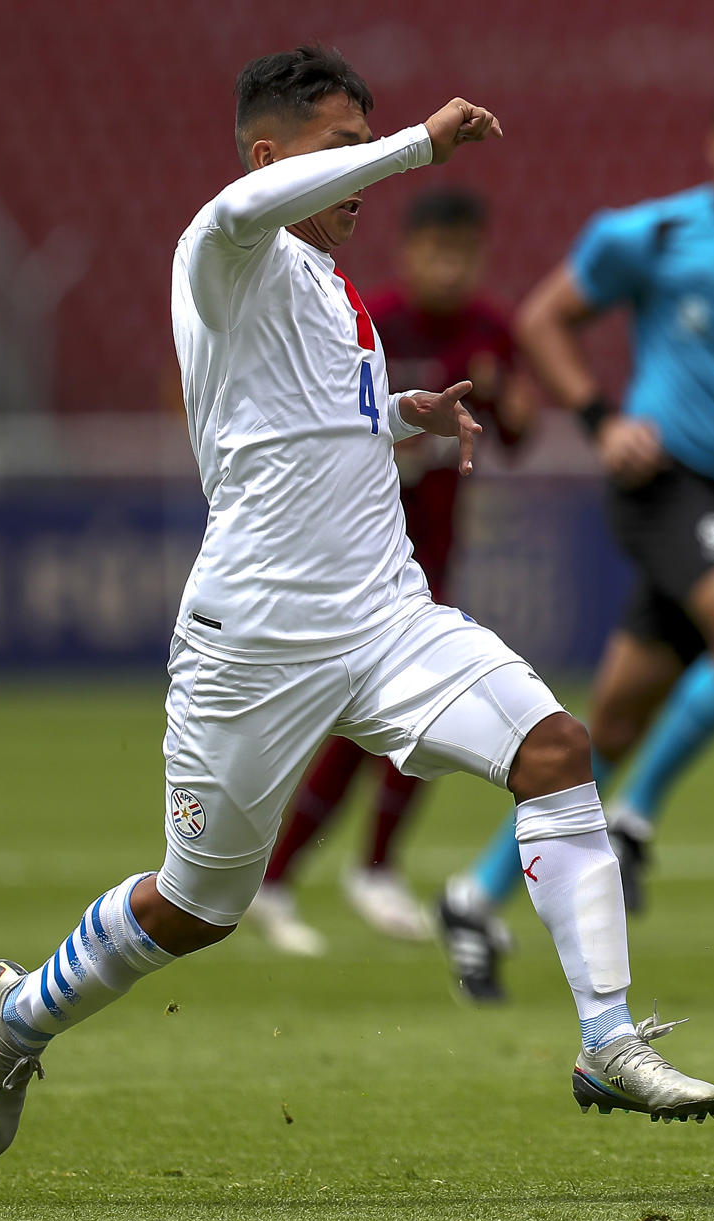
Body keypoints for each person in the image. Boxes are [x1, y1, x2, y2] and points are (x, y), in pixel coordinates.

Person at [0, 47, 714, 1158]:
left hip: (385, 618)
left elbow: (312, 417)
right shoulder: (225, 246)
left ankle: (606, 1036)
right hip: (255, 639)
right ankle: (16, 1015)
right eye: (343, 149)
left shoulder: (331, 289)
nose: (362, 174)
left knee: (556, 748)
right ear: (271, 156)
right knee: (198, 906)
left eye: (370, 149)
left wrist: (404, 409)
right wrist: (420, 142)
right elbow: (245, 206)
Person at [436, 59, 714, 1001]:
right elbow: (544, 319)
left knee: (611, 719)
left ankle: (475, 894)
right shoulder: (651, 233)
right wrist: (602, 418)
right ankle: (638, 818)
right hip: (664, 484)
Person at [246, 188, 535, 955]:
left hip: (428, 557)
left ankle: (331, 874)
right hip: (346, 553)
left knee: (410, 712)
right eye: (436, 251)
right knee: (375, 713)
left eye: (462, 253)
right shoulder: (366, 316)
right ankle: (308, 874)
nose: (449, 266)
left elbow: (519, 435)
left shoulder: (490, 332)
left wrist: (502, 397)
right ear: (408, 253)